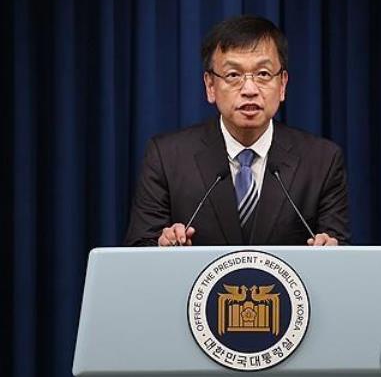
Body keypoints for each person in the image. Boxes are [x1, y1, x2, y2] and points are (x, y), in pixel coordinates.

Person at [124, 15, 350, 247]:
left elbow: (341, 256)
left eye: (263, 74)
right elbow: (139, 250)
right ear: (210, 86)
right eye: (233, 75)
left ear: (282, 85)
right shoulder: (167, 157)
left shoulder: (322, 161)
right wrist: (162, 246)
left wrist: (330, 250)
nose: (249, 89)